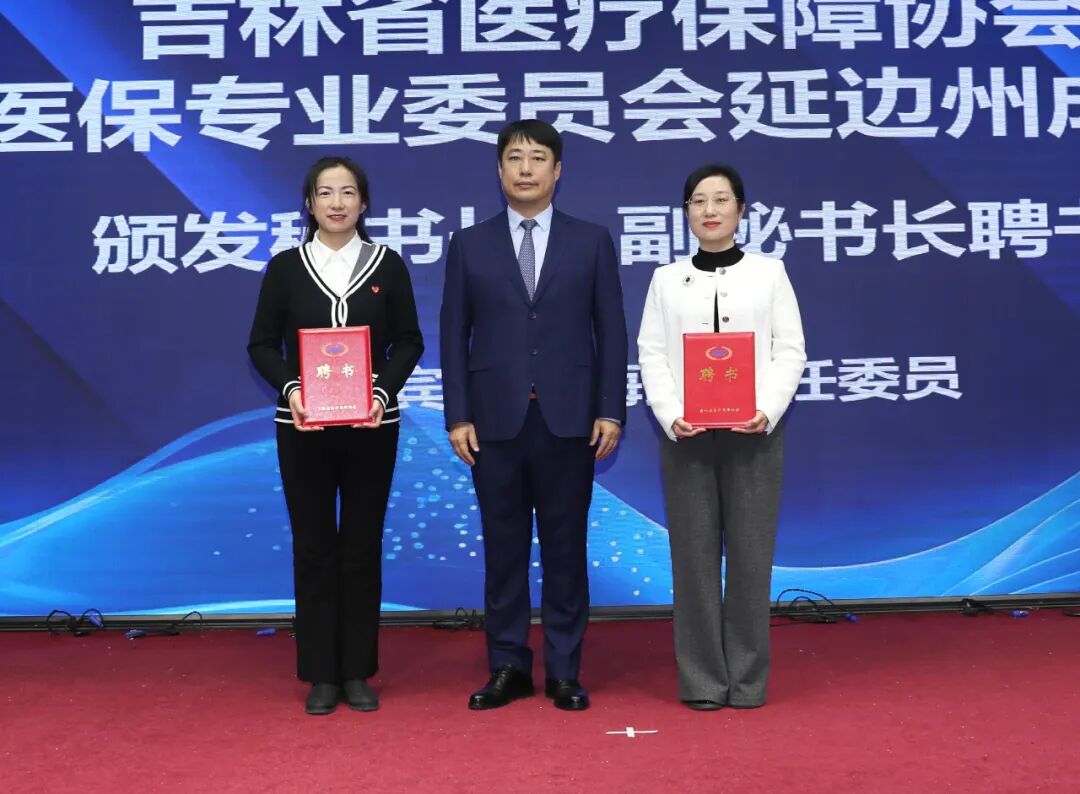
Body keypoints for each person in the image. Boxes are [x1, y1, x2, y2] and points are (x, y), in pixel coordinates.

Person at [440, 120, 628, 711]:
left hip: (570, 421)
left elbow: (611, 331)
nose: (526, 168)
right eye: (515, 158)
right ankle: (508, 666)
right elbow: (453, 335)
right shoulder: (469, 243)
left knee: (566, 549)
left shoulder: (591, 240)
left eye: (538, 157)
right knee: (504, 551)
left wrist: (611, 409)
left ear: (557, 170)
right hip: (493, 423)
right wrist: (457, 415)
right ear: (499, 170)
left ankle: (565, 670)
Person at [248, 156, 424, 715]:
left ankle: (357, 671)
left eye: (348, 192)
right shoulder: (286, 267)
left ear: (364, 203)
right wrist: (293, 390)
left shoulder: (387, 264)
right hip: (302, 426)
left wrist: (381, 393)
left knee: (361, 546)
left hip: (373, 425)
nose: (337, 203)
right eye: (325, 193)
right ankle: (321, 673)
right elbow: (261, 344)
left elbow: (410, 341)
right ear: (309, 203)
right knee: (315, 546)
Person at [637, 163, 806, 710]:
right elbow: (651, 353)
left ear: (741, 209)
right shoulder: (666, 279)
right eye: (698, 201)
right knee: (693, 560)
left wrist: (766, 409)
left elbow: (790, 350)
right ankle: (704, 682)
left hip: (753, 435)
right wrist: (670, 413)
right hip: (687, 437)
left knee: (752, 561)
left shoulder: (769, 273)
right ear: (686, 212)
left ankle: (749, 681)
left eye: (721, 200)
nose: (710, 210)